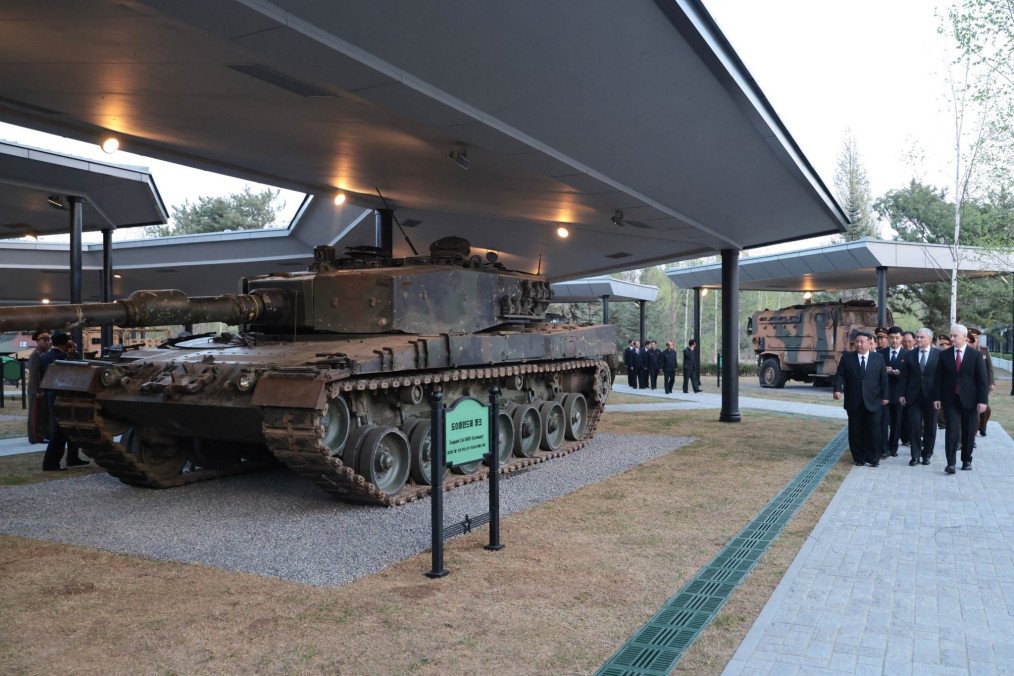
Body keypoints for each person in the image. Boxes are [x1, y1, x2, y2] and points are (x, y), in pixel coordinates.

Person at [933, 324, 989, 475]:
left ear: (965, 337)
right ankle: (950, 463)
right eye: (951, 335)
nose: (951, 338)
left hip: (970, 400)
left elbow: (982, 380)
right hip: (950, 399)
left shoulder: (975, 355)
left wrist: (982, 401)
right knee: (951, 430)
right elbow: (938, 378)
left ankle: (966, 460)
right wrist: (937, 397)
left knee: (968, 430)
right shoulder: (944, 355)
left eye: (955, 336)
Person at [833, 331, 888, 466]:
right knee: (856, 430)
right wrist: (838, 389)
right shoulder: (847, 358)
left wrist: (885, 396)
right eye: (856, 342)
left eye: (862, 342)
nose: (858, 344)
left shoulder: (878, 358)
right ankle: (859, 457)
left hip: (873, 400)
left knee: (874, 430)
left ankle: (874, 457)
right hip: (854, 400)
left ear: (870, 344)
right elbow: (840, 375)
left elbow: (884, 378)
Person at [41, 331, 89, 471]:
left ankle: (72, 458)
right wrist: (73, 350)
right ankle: (51, 463)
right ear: (66, 343)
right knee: (60, 432)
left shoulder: (46, 356)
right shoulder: (66, 356)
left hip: (51, 395)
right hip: (65, 397)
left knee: (67, 429)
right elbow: (81, 363)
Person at [898, 328, 939, 466]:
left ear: (930, 339)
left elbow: (942, 378)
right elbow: (904, 376)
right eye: (917, 337)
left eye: (922, 337)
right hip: (913, 396)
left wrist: (939, 397)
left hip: (932, 397)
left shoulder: (939, 354)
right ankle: (915, 455)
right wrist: (902, 394)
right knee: (914, 426)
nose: (918, 339)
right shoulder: (910, 354)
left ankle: (926, 454)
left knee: (930, 427)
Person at [878, 326, 907, 458]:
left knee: (896, 422)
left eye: (897, 338)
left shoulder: (907, 355)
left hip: (899, 394)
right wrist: (885, 369)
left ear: (901, 339)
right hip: (884, 394)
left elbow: (909, 376)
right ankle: (883, 448)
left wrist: (898, 373)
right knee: (883, 422)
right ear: (888, 338)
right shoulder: (881, 354)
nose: (894, 341)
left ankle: (893, 447)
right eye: (891, 338)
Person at [967, 328, 995, 436]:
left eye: (974, 339)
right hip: (969, 385)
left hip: (983, 385)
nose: (972, 341)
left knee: (985, 408)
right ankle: (972, 435)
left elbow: (989, 367)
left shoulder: (984, 350)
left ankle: (982, 427)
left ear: (977, 340)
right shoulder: (965, 351)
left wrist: (991, 382)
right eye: (970, 339)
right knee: (974, 411)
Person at [26, 330, 52, 444]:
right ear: (38, 341)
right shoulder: (35, 355)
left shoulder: (43, 354)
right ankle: (35, 437)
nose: (47, 343)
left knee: (41, 413)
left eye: (48, 340)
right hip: (36, 390)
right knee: (35, 414)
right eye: (44, 340)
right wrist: (39, 390)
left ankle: (42, 434)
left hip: (41, 388)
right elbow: (34, 374)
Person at [899, 331, 917, 446]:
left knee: (913, 417)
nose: (907, 343)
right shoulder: (900, 353)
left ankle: (913, 437)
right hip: (902, 388)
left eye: (909, 341)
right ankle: (905, 438)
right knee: (903, 415)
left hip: (915, 390)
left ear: (914, 341)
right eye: (905, 341)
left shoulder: (916, 353)